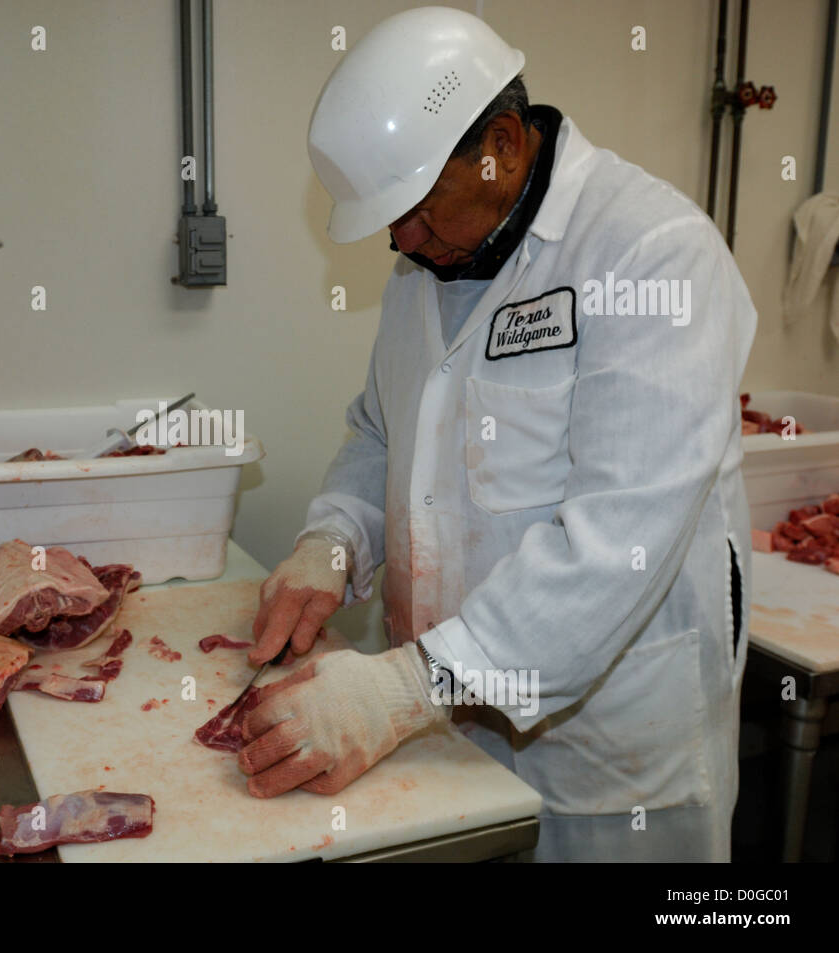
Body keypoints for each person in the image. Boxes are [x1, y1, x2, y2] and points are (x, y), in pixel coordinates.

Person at [239, 6, 756, 862]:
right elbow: (379, 434)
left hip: (610, 772)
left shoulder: (652, 256)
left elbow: (618, 540)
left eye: (410, 208)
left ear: (504, 144)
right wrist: (332, 540)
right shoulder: (427, 269)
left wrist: (407, 684)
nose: (399, 241)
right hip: (447, 742)